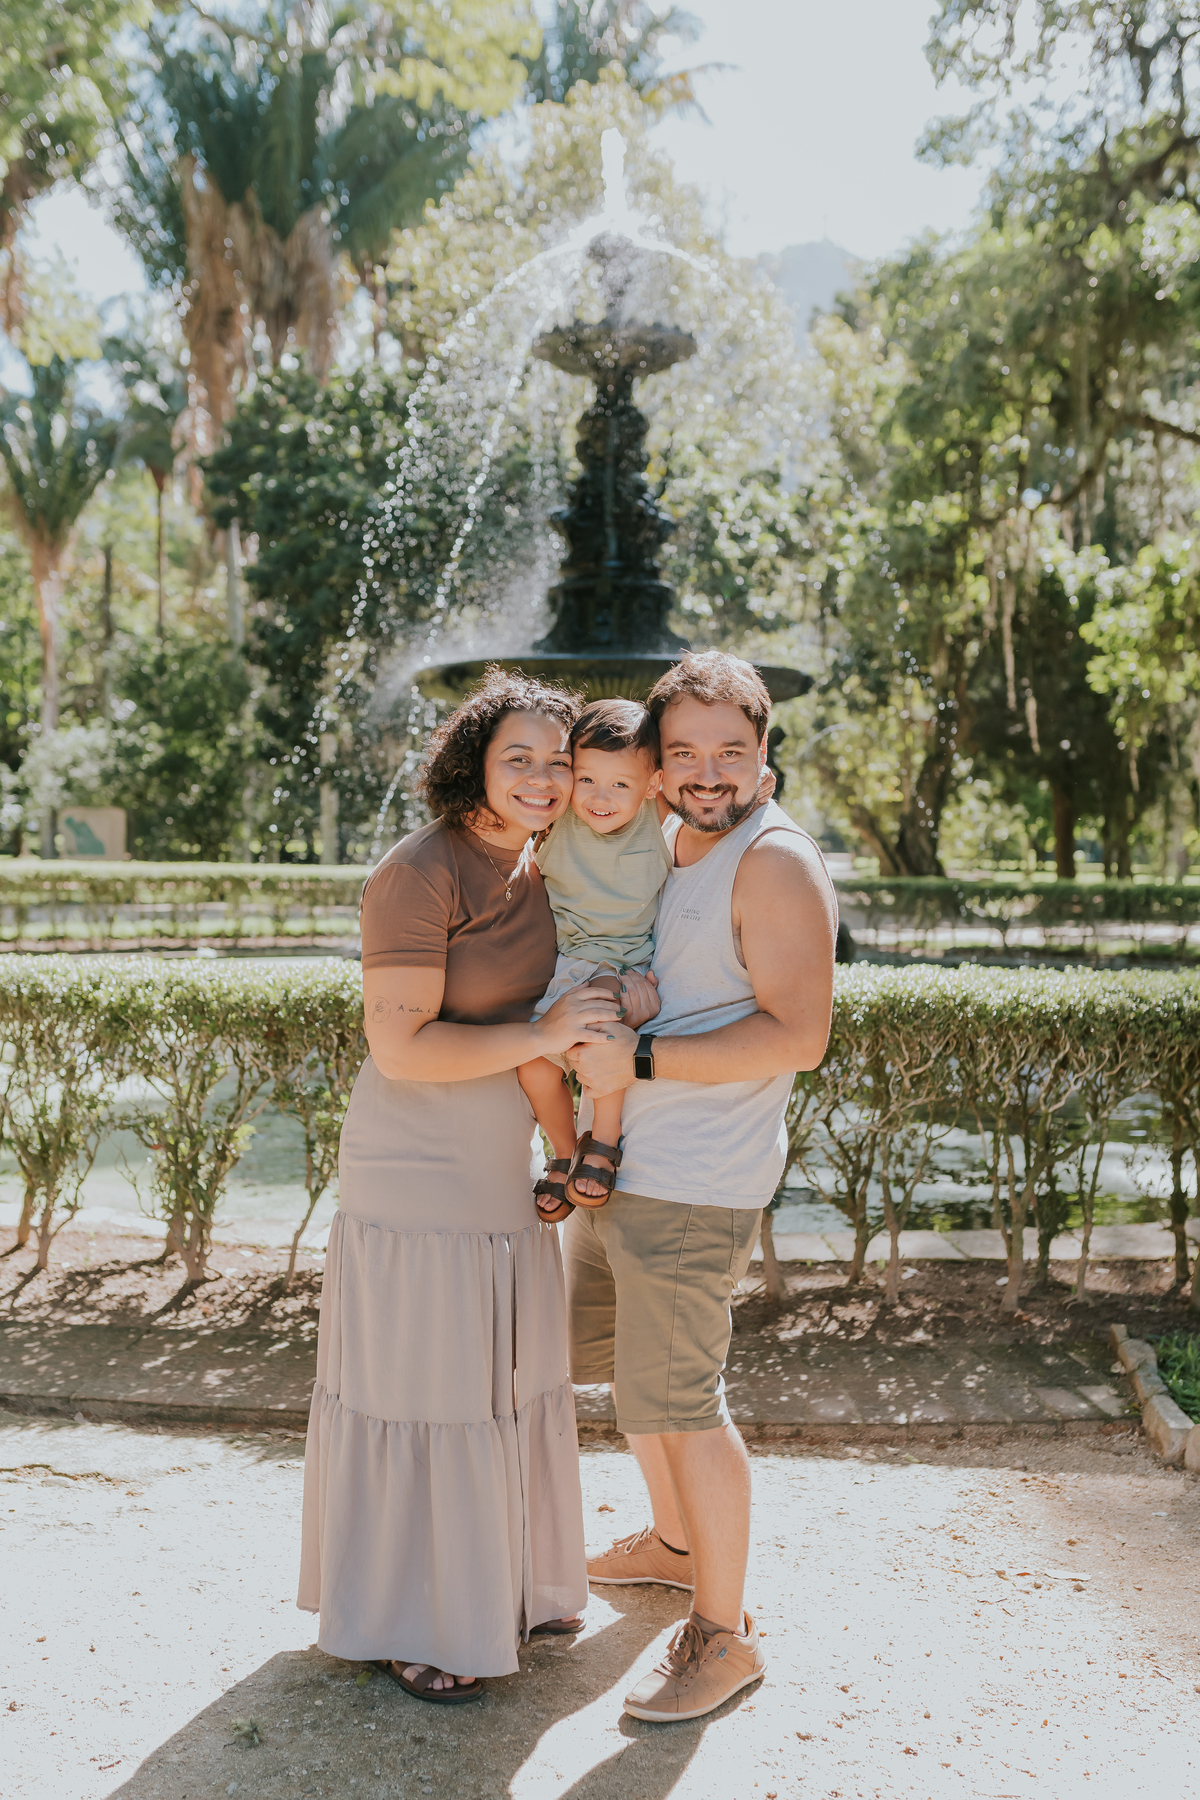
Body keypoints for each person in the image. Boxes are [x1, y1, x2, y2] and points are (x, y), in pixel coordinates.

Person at [297, 669, 629, 1704]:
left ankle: (515, 1583)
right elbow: (400, 1049)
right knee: (428, 1388)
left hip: (496, 1161)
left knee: (502, 1378)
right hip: (416, 1161)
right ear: (472, 764)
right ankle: (415, 1616)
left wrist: (565, 1146)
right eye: (517, 757)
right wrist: (546, 1034)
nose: (542, 777)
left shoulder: (539, 865)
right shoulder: (419, 870)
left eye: (558, 761)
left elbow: (542, 1033)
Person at [565, 650, 838, 1724]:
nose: (708, 770)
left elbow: (799, 1035)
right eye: (685, 752)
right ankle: (676, 1545)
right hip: (624, 1163)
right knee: (621, 1375)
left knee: (683, 1398)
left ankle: (724, 1638)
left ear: (765, 752)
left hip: (694, 1181)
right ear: (658, 761)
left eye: (731, 749)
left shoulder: (773, 861)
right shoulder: (672, 842)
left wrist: (634, 1059)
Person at [516, 697, 669, 1218]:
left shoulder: (657, 816)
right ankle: (563, 1151)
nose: (600, 797)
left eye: (620, 784)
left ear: (652, 783)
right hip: (562, 967)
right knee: (533, 1061)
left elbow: (712, 800)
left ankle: (604, 1138)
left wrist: (759, 786)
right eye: (586, 779)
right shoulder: (555, 816)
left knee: (600, 1024)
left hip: (619, 968)